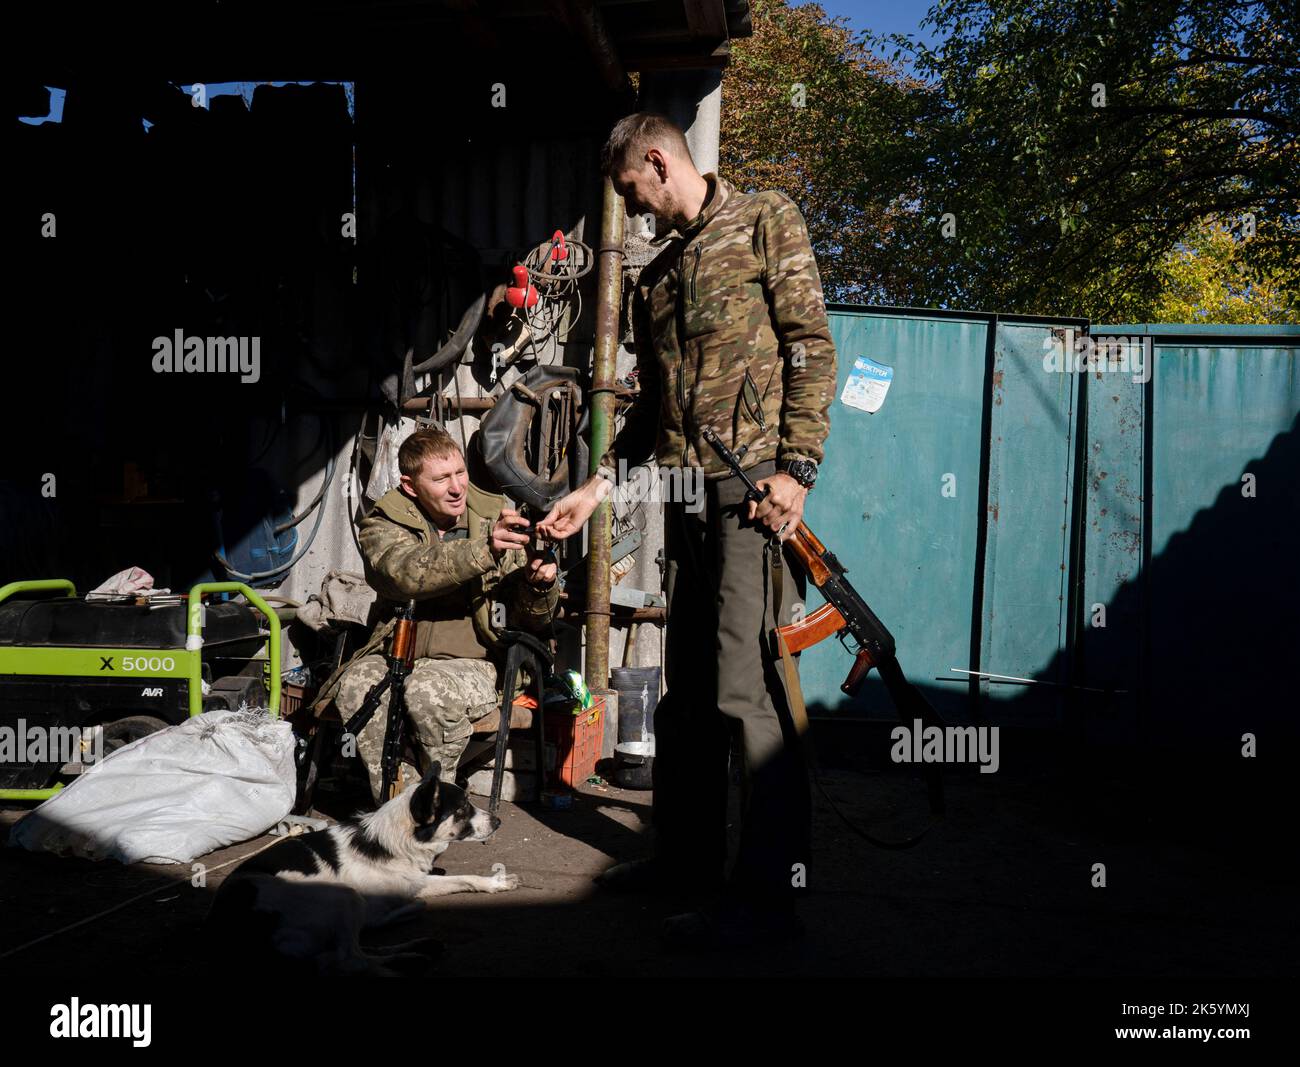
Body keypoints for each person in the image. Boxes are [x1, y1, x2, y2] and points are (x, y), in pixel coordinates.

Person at [537, 112, 837, 947]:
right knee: (689, 696)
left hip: (752, 493)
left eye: (633, 191)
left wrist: (797, 468)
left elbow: (810, 344)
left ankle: (768, 899)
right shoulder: (657, 276)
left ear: (659, 161)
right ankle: (688, 862)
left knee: (749, 694)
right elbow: (653, 412)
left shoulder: (765, 217)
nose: (633, 210)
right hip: (683, 494)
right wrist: (595, 488)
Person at [330, 426, 559, 804]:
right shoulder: (384, 522)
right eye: (440, 479)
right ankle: (402, 805)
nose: (456, 488)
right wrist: (483, 551)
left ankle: (439, 801)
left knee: (426, 689)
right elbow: (404, 572)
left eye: (460, 473)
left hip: (481, 663)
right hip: (399, 655)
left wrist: (538, 585)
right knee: (356, 684)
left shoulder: (494, 518)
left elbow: (532, 619)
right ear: (410, 486)